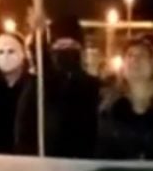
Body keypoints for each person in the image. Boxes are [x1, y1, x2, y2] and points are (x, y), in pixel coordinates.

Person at [15, 16, 101, 158]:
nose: (66, 50)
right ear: (51, 50)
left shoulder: (92, 87)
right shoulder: (38, 87)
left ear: (81, 50)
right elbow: (23, 130)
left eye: (72, 45)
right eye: (60, 46)